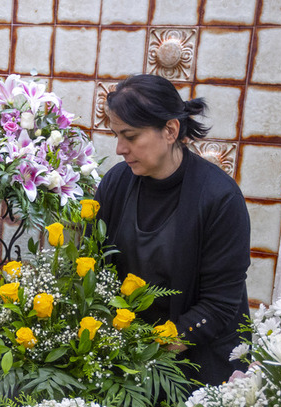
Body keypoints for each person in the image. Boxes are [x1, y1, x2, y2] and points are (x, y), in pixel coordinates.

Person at [96, 74, 251, 386]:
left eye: (130, 136)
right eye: (116, 135)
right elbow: (95, 264)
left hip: (199, 365)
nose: (119, 149)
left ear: (170, 130)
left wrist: (151, 349)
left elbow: (219, 305)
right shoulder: (116, 183)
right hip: (128, 358)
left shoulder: (219, 198)